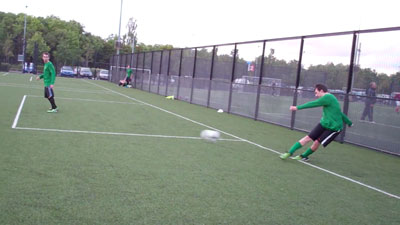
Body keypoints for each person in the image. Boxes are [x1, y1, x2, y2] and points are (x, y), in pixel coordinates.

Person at [280, 84, 352, 161]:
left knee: (317, 142)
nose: (316, 95)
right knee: (308, 138)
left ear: (321, 91)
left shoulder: (328, 97)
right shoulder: (329, 99)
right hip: (324, 123)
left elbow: (312, 104)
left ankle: (303, 156)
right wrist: (349, 122)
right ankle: (289, 153)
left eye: (316, 92)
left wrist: (297, 107)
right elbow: (339, 112)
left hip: (334, 127)